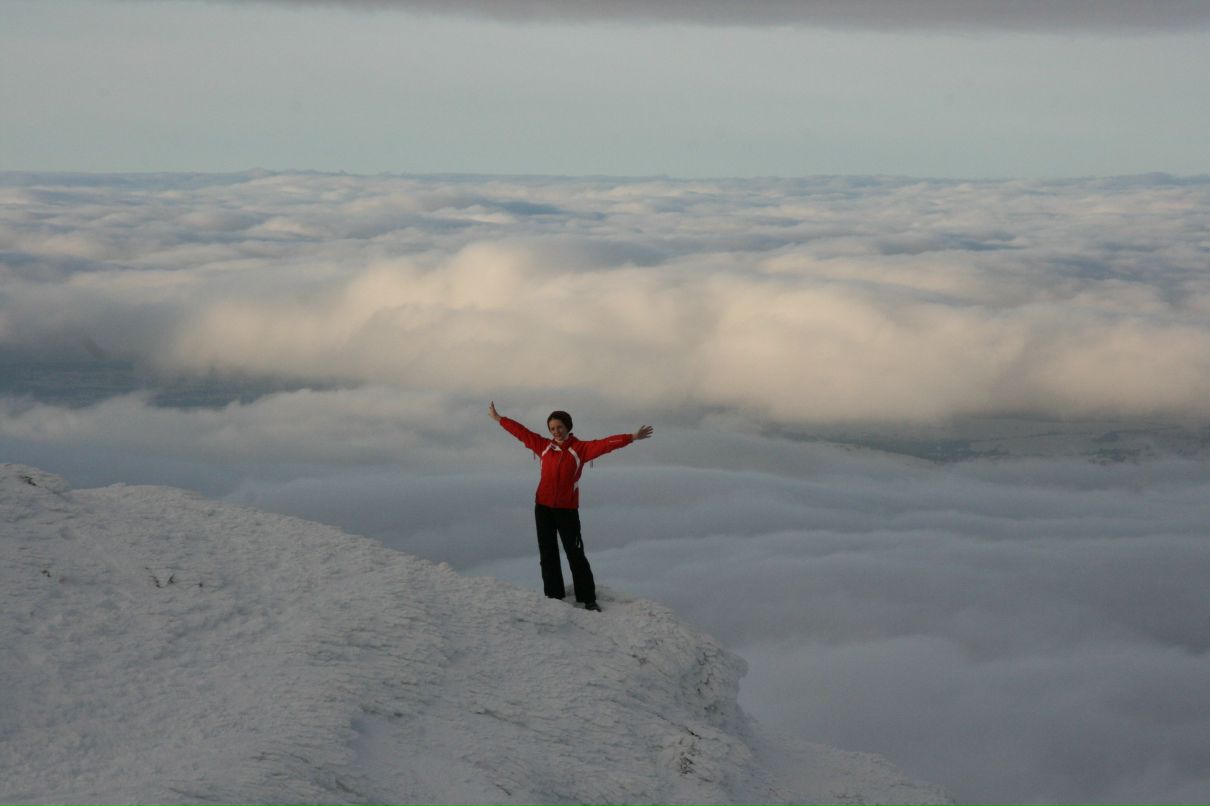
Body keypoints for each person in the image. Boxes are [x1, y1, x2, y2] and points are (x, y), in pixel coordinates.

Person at [489, 401, 653, 612]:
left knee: (575, 553)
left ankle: (587, 598)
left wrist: (631, 437)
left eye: (559, 427)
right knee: (547, 554)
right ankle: (553, 596)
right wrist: (499, 419)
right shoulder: (543, 446)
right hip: (543, 508)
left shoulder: (581, 449)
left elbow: (605, 444)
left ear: (568, 426)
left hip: (567, 510)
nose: (556, 431)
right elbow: (521, 432)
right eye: (552, 428)